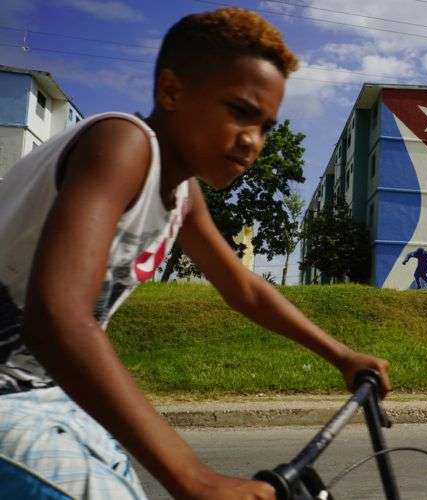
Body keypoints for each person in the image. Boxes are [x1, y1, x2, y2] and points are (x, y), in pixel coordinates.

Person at [0, 7, 390, 499]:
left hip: (44, 392)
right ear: (171, 91)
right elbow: (58, 315)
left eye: (267, 126)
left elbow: (244, 287)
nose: (254, 141)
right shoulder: (122, 144)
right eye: (240, 111)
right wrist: (194, 477)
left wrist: (341, 355)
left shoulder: (183, 195)